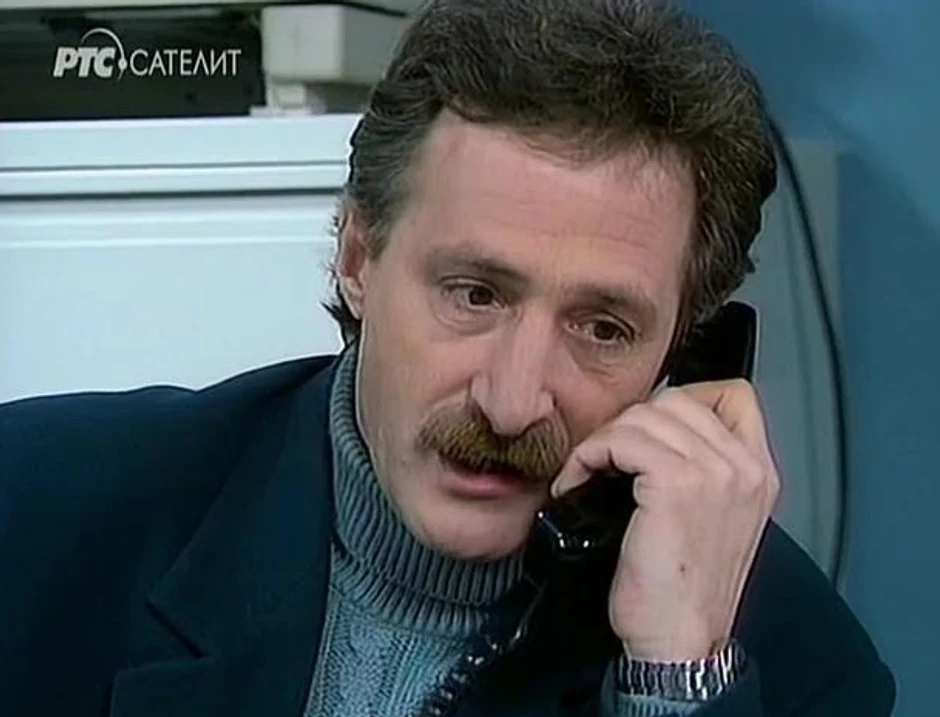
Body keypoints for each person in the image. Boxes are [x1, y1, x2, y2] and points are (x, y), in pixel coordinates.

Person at [0, 1, 894, 716]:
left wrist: (672, 681)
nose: (512, 402)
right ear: (358, 256)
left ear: (685, 352)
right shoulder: (38, 506)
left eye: (603, 329)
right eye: (475, 294)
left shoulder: (803, 664)